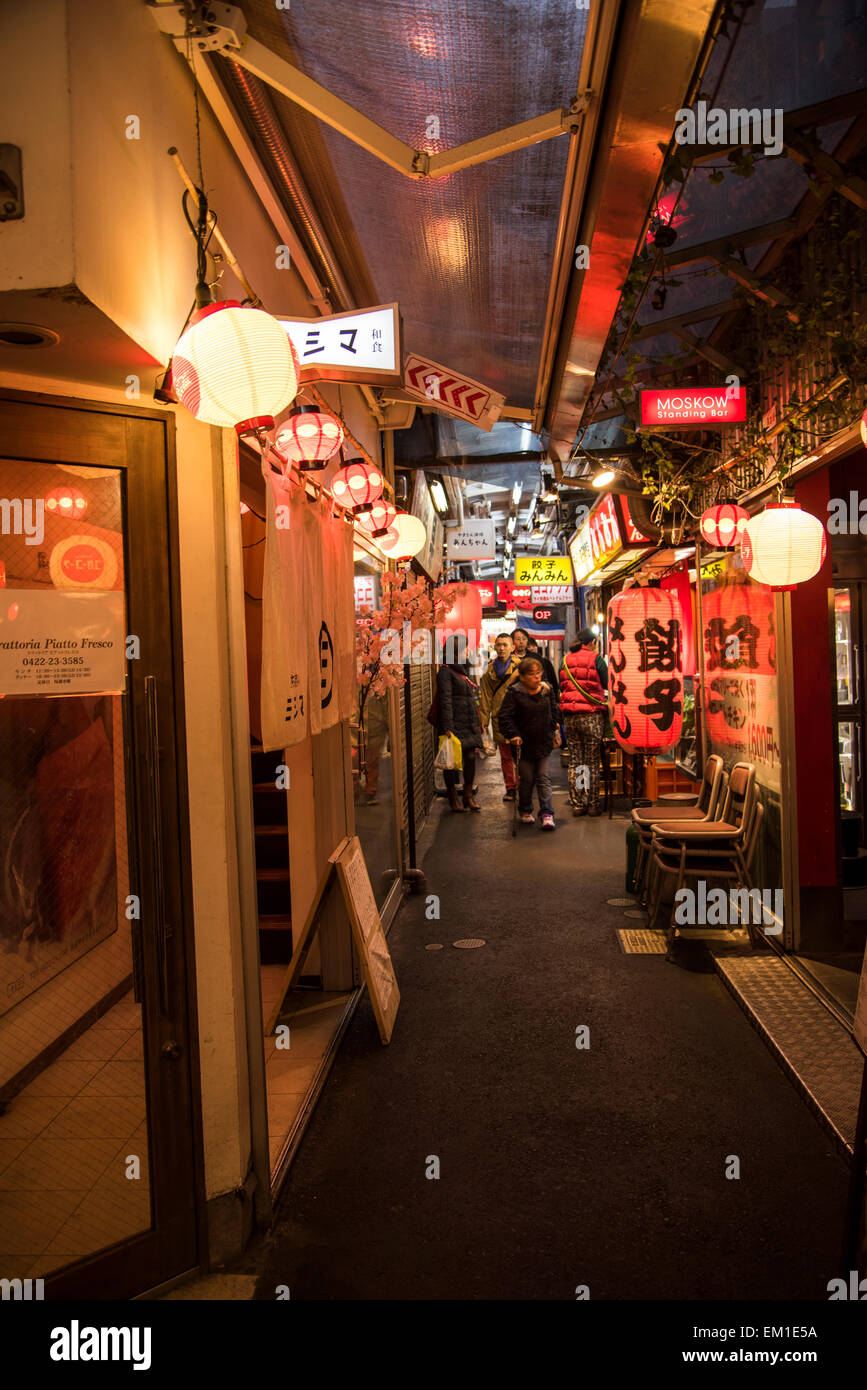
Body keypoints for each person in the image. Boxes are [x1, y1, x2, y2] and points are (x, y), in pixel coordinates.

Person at [498, 656, 561, 830]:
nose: (537, 677)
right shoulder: (514, 693)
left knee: (543, 777)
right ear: (523, 676)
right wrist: (513, 734)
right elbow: (504, 717)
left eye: (538, 673)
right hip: (523, 745)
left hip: (543, 742)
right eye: (532, 674)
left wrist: (554, 722)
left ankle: (547, 813)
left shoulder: (546, 691)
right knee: (527, 779)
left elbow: (554, 708)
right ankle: (525, 809)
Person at [559, 627, 609, 817]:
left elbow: (561, 684)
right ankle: (593, 803)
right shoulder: (596, 658)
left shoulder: (565, 660)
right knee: (592, 762)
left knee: (577, 762)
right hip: (591, 717)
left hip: (570, 718)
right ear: (593, 643)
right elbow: (606, 683)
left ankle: (579, 803)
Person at [436, 633, 484, 813]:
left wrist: (478, 721)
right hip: (454, 723)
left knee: (471, 758)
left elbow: (470, 697)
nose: (468, 651)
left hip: (469, 721)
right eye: (465, 648)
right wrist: (448, 726)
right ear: (455, 652)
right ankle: (453, 796)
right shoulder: (445, 671)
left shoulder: (464, 669)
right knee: (451, 761)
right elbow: (445, 699)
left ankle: (468, 795)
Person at [478, 633, 522, 800]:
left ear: (512, 648)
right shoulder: (489, 670)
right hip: (499, 718)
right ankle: (510, 787)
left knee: (520, 755)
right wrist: (484, 721)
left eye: (505, 645)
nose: (502, 648)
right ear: (495, 647)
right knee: (505, 757)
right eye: (499, 645)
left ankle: (522, 785)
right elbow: (486, 697)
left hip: (519, 717)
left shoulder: (521, 667)